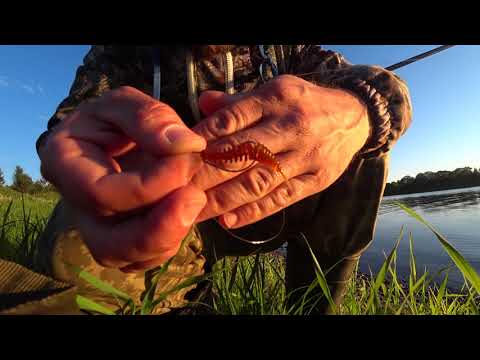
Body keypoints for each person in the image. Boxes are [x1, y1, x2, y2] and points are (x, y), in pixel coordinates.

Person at [0, 45, 412, 315]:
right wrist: (72, 146)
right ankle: (182, 297)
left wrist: (361, 107)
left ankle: (312, 306)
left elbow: (382, 87)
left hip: (277, 205)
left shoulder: (288, 49)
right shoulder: (119, 52)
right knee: (70, 240)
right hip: (170, 214)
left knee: (365, 150)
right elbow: (64, 123)